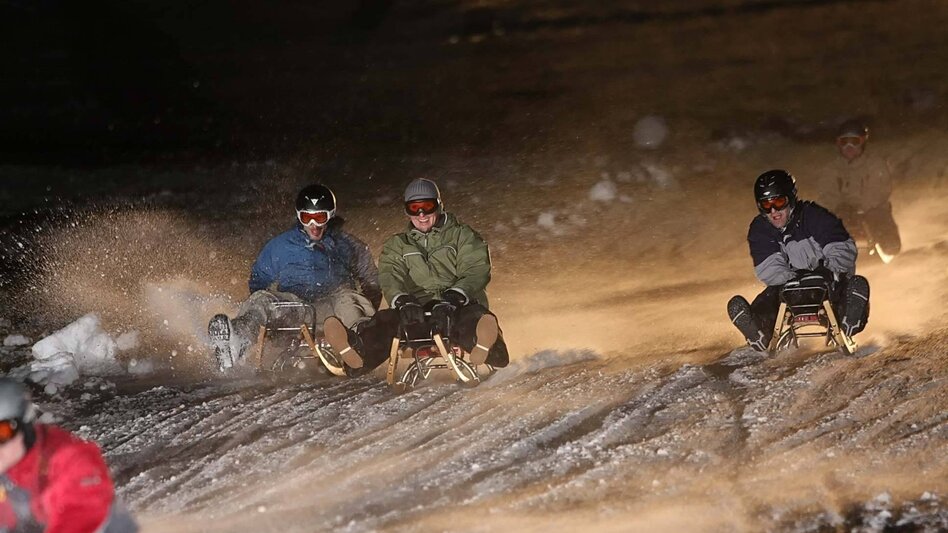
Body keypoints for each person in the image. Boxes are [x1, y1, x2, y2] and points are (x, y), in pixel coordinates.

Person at [321, 178, 509, 373]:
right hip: (417, 309)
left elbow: (476, 270)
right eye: (414, 208)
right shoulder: (398, 244)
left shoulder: (463, 236)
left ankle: (486, 344)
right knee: (387, 322)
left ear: (438, 206)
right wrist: (402, 300)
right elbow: (390, 275)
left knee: (468, 320)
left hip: (457, 304)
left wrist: (455, 297)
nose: (421, 215)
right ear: (407, 211)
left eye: (427, 206)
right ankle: (355, 350)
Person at [208, 184, 381, 371]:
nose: (313, 225)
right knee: (261, 300)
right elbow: (259, 280)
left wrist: (370, 306)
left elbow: (371, 280)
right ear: (299, 216)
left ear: (330, 215)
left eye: (320, 217)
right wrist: (274, 322)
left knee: (351, 300)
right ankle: (238, 340)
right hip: (297, 307)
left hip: (333, 310)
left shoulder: (347, 244)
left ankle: (360, 343)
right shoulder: (280, 245)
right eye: (307, 218)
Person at [727, 170, 870, 351]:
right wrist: (791, 281)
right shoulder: (761, 228)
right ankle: (759, 329)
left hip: (828, 280)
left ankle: (850, 318)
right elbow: (768, 266)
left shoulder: (814, 216)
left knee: (844, 288)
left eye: (779, 202)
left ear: (791, 198)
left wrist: (829, 271)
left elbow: (842, 247)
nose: (773, 211)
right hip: (790, 288)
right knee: (771, 296)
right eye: (766, 205)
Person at [0, 378, 138, 533]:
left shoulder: (68, 459)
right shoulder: (7, 467)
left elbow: (80, 515)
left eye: (2, 432)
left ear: (25, 426)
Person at [815, 119, 901, 261]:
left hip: (873, 211)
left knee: (891, 245)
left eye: (854, 142)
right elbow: (826, 193)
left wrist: (860, 208)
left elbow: (880, 190)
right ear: (838, 144)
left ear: (862, 142)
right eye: (844, 142)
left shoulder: (875, 164)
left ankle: (886, 256)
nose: (849, 147)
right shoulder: (832, 169)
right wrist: (838, 207)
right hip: (842, 213)